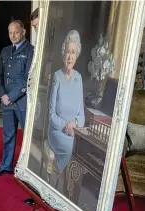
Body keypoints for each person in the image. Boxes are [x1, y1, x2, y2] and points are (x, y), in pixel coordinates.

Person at [0, 20, 34, 176]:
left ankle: (28, 170)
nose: (13, 36)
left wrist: (12, 96)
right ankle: (6, 165)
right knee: (8, 135)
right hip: (6, 100)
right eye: (10, 32)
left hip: (21, 101)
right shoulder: (5, 51)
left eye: (16, 32)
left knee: (28, 137)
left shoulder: (31, 51)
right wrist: (2, 95)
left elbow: (28, 78)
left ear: (23, 32)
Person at [48, 30, 85, 173]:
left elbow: (81, 115)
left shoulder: (79, 78)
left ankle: (70, 188)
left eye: (73, 52)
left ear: (77, 56)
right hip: (57, 132)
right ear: (63, 54)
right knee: (70, 149)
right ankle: (60, 182)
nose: (70, 57)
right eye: (68, 52)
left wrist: (74, 124)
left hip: (74, 132)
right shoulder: (57, 77)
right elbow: (51, 114)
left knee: (83, 152)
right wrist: (66, 127)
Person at [25, 8, 40, 207]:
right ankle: (37, 190)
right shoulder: (37, 46)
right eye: (35, 27)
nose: (37, 31)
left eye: (38, 26)